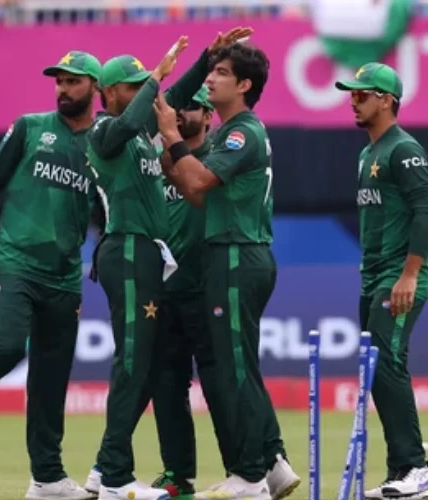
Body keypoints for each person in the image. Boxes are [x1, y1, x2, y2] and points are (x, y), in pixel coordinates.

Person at [82, 28, 253, 500]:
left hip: (148, 254)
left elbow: (171, 97)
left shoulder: (142, 130)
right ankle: (113, 475)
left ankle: (107, 470)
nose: (143, 92)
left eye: (143, 84)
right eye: (132, 86)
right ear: (109, 92)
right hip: (127, 247)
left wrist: (206, 58)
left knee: (143, 364)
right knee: (134, 361)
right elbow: (135, 115)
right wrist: (156, 75)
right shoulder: (103, 131)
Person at [0, 51, 102, 500]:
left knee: (51, 378)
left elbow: (109, 209)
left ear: (94, 87)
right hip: (15, 260)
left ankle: (47, 477)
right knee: (8, 344)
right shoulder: (30, 127)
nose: (62, 89)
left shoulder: (102, 144)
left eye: (72, 82)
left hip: (65, 275)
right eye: (58, 82)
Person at [153, 42, 299, 500]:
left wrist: (170, 136)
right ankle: (270, 467)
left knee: (235, 370)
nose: (209, 79)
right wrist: (169, 153)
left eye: (219, 72)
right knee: (239, 367)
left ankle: (251, 475)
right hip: (229, 255)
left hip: (237, 254)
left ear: (244, 85)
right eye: (210, 70)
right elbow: (198, 194)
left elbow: (196, 182)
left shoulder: (241, 133)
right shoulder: (226, 134)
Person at [334, 62, 428, 499]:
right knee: (378, 368)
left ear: (387, 100)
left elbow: (425, 211)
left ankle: (415, 466)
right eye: (352, 93)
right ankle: (403, 471)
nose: (353, 100)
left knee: (383, 363)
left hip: (400, 277)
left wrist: (409, 274)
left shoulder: (404, 148)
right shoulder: (366, 154)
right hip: (373, 275)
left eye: (362, 94)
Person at [150, 85, 219, 499]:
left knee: (221, 385)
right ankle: (178, 474)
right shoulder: (157, 164)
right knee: (167, 385)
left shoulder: (217, 159)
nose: (182, 113)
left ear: (209, 116)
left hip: (206, 286)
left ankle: (246, 471)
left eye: (192, 107)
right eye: (177, 107)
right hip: (164, 293)